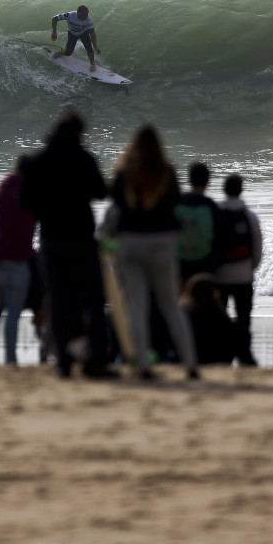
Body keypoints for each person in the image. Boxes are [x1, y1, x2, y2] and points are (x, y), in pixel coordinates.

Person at [20, 112, 115, 379]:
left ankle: (63, 360)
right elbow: (98, 192)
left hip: (51, 239)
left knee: (59, 300)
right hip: (82, 239)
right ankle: (96, 359)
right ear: (80, 132)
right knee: (93, 300)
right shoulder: (84, 158)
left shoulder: (36, 162)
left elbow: (25, 202)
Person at [109, 124, 199, 380]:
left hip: (130, 245)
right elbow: (175, 205)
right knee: (171, 305)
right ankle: (190, 364)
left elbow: (115, 208)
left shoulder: (124, 174)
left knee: (137, 306)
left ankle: (143, 366)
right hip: (161, 245)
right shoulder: (166, 172)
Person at [0, 156, 37, 365]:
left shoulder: (4, 187)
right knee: (13, 313)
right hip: (18, 258)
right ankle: (10, 358)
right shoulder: (31, 193)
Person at [213, 173, 263, 366]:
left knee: (220, 321)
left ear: (224, 190)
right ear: (241, 190)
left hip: (221, 276)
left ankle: (222, 357)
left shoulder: (216, 214)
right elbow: (257, 249)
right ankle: (245, 357)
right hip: (243, 276)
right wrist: (250, 268)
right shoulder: (249, 216)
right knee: (244, 320)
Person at [175, 162, 223, 284]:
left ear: (189, 180)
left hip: (181, 263)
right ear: (208, 181)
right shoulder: (210, 205)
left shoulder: (178, 203)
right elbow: (219, 237)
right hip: (204, 265)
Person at [49, 5, 101, 71]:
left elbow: (92, 33)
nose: (87, 16)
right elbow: (54, 18)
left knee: (89, 49)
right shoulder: (70, 15)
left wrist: (95, 46)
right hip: (72, 34)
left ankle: (92, 64)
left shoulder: (88, 20)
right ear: (78, 13)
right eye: (85, 15)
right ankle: (60, 52)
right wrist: (54, 32)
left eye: (87, 14)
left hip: (84, 34)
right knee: (68, 52)